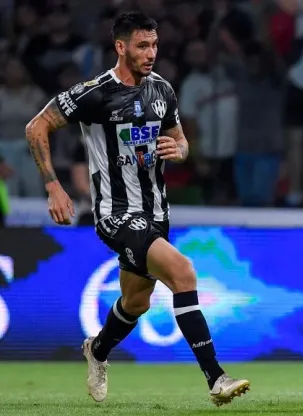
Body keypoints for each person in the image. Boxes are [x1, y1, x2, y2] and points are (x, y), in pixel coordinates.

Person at [23, 12, 249, 407]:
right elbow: (36, 127)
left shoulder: (162, 90)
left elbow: (180, 141)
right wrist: (53, 185)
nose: (151, 53)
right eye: (143, 46)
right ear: (121, 47)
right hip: (116, 213)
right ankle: (216, 378)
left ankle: (97, 349)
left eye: (155, 45)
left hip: (157, 213)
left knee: (136, 302)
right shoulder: (94, 92)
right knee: (183, 272)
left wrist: (178, 150)